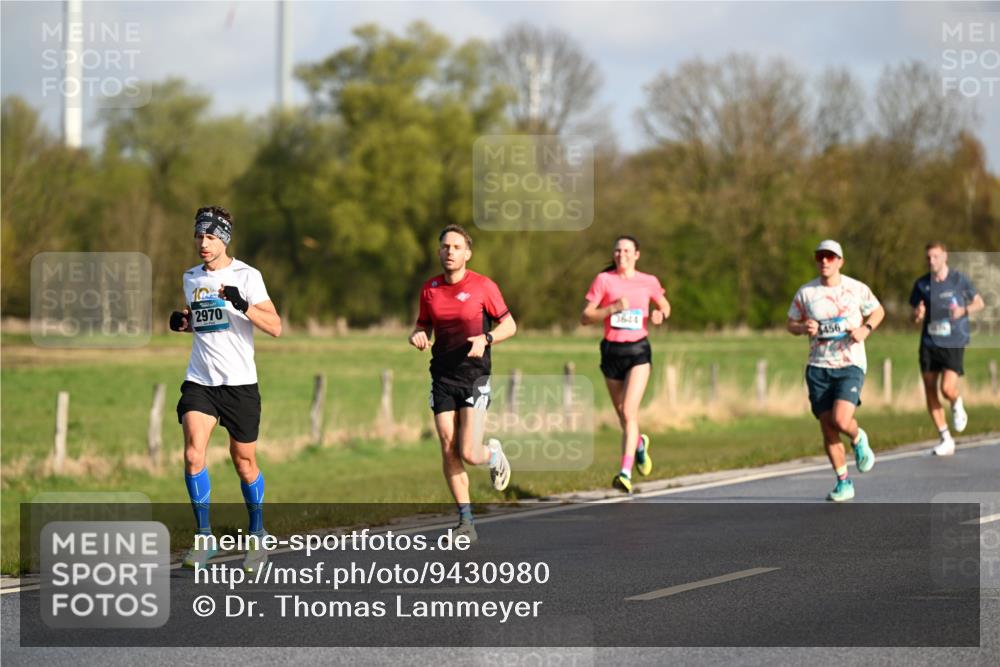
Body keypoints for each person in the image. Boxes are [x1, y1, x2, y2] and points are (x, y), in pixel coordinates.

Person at [169, 206, 282, 570]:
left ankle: (258, 534)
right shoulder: (190, 277)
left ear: (225, 240)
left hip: (240, 384)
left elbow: (276, 326)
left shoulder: (248, 276)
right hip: (201, 379)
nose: (203, 243)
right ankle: (204, 538)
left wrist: (242, 303)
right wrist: (184, 321)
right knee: (192, 454)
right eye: (199, 235)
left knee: (244, 461)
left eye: (211, 237)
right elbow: (204, 321)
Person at [409, 224, 516, 542]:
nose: (450, 252)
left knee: (469, 452)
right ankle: (465, 521)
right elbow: (423, 324)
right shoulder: (430, 289)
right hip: (441, 376)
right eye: (445, 246)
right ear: (439, 251)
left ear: (467, 253)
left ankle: (494, 455)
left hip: (474, 377)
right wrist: (417, 334)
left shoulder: (484, 286)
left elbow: (510, 324)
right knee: (447, 446)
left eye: (456, 247)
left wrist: (487, 338)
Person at [787, 240, 884, 502]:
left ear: (840, 261)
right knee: (828, 428)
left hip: (849, 364)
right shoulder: (807, 293)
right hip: (818, 367)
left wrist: (866, 329)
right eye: (820, 257)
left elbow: (877, 311)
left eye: (830, 257)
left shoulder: (856, 288)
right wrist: (802, 328)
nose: (825, 262)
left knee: (841, 420)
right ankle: (844, 482)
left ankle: (857, 435)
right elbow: (790, 323)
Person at [581, 236, 670, 493]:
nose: (622, 255)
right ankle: (639, 443)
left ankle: (625, 473)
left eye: (627, 251)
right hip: (612, 351)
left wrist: (659, 314)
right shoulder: (604, 281)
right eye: (618, 251)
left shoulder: (648, 281)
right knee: (622, 414)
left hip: (638, 351)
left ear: (637, 255)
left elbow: (664, 306)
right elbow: (586, 317)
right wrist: (612, 309)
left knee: (630, 411)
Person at [909, 242, 985, 456]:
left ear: (945, 257)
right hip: (929, 342)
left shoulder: (959, 280)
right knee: (930, 389)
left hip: (953, 340)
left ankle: (956, 402)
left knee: (947, 389)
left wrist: (963, 310)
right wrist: (918, 314)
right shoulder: (921, 284)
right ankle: (945, 437)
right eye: (928, 258)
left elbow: (979, 302)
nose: (931, 261)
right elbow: (914, 316)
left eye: (935, 256)